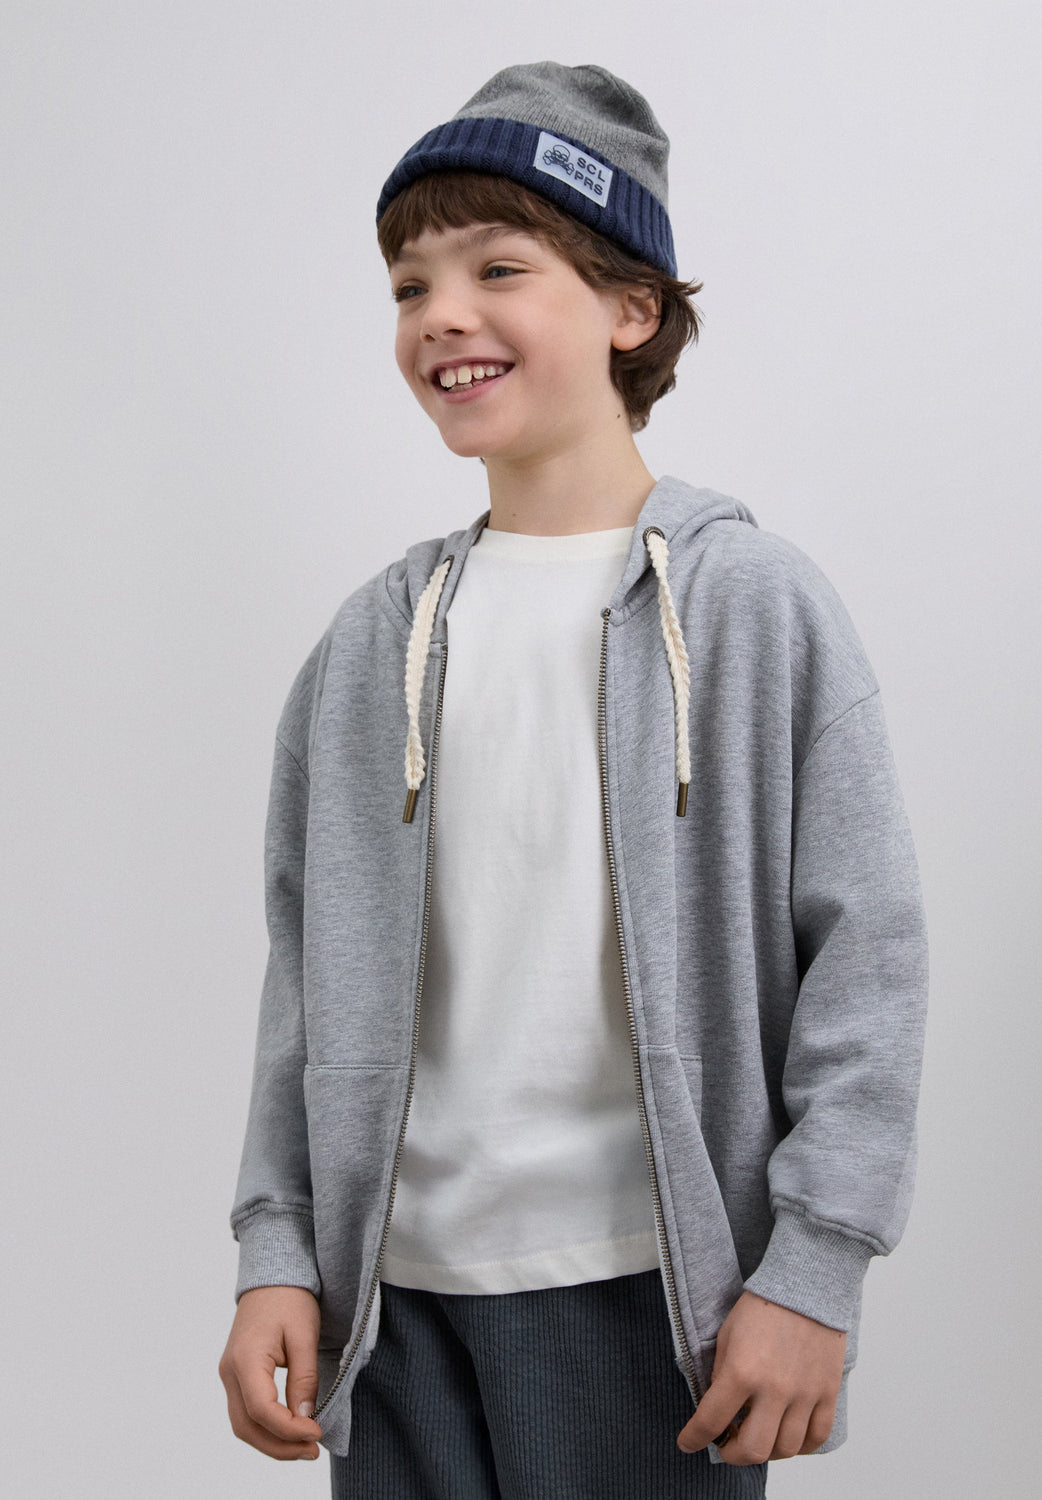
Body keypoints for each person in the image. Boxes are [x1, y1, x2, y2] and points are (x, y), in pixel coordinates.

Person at [218, 61, 929, 1499]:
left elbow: (867, 956)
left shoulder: (753, 607)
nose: (441, 314)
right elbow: (308, 974)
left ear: (630, 308)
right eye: (410, 285)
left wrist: (815, 1265)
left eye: (497, 268)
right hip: (391, 1309)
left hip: (651, 1295)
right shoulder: (369, 644)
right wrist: (276, 1248)